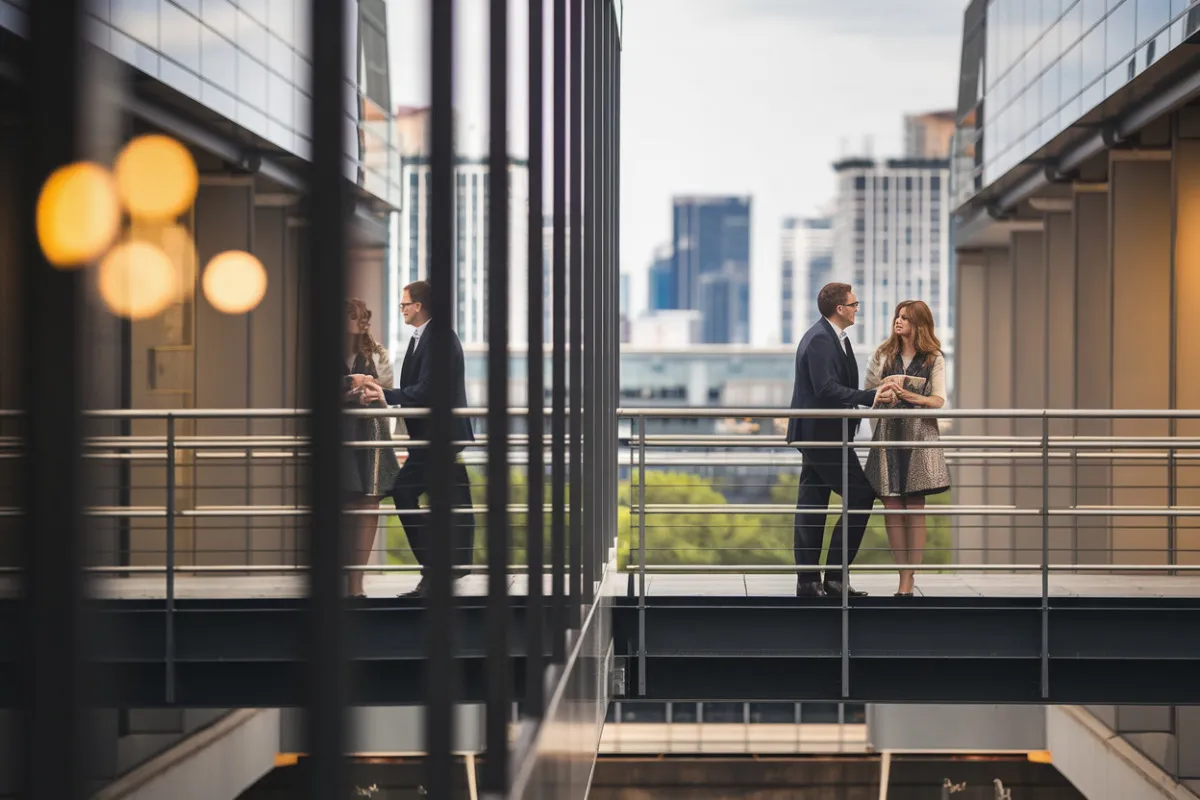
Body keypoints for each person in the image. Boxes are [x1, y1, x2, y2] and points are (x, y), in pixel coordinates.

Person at [366, 280, 475, 598]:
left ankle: (433, 572)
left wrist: (384, 394)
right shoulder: (424, 337)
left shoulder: (438, 338)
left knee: (404, 493)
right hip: (429, 437)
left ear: (419, 306)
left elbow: (429, 390)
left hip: (437, 437)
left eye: (404, 304)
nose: (401, 309)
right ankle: (438, 571)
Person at [786, 282, 894, 598]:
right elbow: (825, 389)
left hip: (825, 434)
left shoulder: (834, 338)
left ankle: (811, 582)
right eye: (854, 303)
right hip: (823, 436)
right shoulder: (820, 340)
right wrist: (869, 396)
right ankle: (832, 578)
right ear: (840, 309)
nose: (857, 308)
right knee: (860, 495)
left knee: (813, 502)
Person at [864, 300, 950, 597]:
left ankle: (908, 580)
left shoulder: (934, 358)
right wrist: (883, 397)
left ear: (919, 324)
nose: (898, 322)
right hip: (888, 436)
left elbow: (938, 401)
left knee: (915, 507)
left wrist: (906, 394)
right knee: (891, 507)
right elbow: (867, 396)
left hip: (920, 438)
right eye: (897, 317)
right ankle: (902, 573)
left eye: (905, 318)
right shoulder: (882, 354)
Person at [342, 299, 399, 597]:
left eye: (362, 317)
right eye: (352, 317)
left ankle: (356, 584)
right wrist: (350, 386)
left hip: (370, 431)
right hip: (340, 434)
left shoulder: (375, 352)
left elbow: (387, 387)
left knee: (368, 503)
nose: (359, 322)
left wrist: (371, 390)